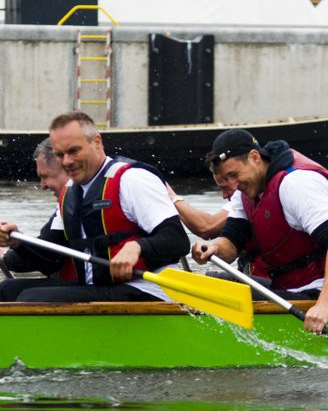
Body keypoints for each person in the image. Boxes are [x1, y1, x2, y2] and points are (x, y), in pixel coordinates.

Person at [0, 111, 190, 302]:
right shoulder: (70, 191)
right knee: (7, 290)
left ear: (97, 142)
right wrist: (17, 242)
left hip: (145, 290)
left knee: (31, 298)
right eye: (60, 154)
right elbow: (51, 259)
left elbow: (178, 241)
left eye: (74, 151)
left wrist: (138, 247)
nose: (67, 161)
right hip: (97, 288)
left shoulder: (133, 180)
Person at [191, 129, 328, 334]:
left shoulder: (296, 184)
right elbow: (231, 243)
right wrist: (212, 247)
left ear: (255, 157)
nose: (232, 185)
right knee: (210, 282)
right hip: (292, 291)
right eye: (226, 178)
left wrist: (324, 304)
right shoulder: (247, 190)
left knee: (215, 288)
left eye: (234, 175)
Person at [0, 138, 71, 281]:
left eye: (45, 177)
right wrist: (14, 244)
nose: (42, 186)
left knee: (19, 293)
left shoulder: (124, 182)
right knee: (7, 289)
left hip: (107, 289)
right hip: (79, 283)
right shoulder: (68, 203)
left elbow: (50, 261)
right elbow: (48, 257)